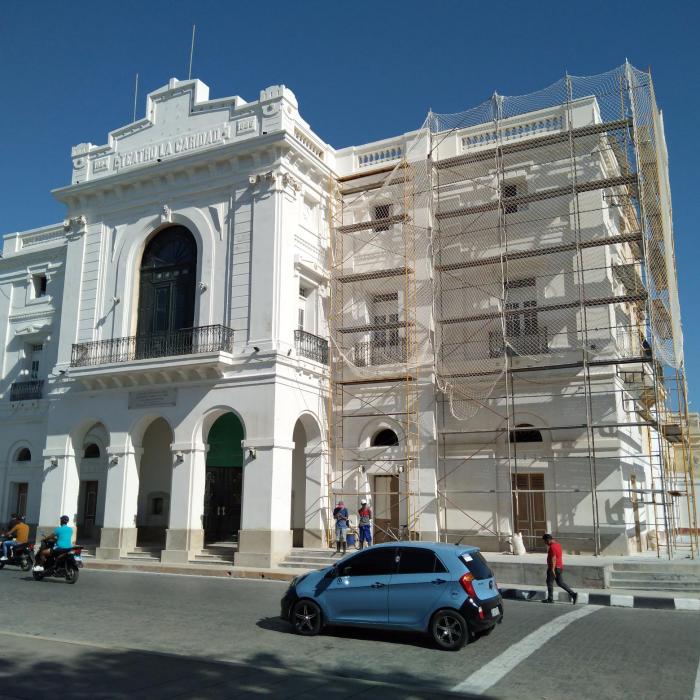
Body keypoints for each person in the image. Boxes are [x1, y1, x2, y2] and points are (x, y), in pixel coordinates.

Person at [542, 533, 577, 604]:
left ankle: (550, 599)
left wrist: (552, 569)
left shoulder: (552, 547)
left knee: (549, 582)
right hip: (559, 567)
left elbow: (554, 558)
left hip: (554, 568)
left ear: (548, 540)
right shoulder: (558, 545)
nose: (545, 543)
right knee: (560, 583)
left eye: (545, 542)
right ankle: (573, 594)